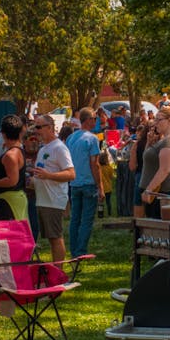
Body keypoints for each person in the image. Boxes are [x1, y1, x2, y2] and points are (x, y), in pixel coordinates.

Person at [30, 116, 74, 262]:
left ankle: (59, 271)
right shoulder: (43, 149)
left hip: (53, 200)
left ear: (50, 127)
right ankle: (56, 270)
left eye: (39, 127)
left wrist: (48, 175)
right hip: (43, 200)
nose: (36, 131)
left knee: (56, 237)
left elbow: (71, 174)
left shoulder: (59, 148)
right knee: (51, 238)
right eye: (35, 127)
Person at [67, 108, 104, 258]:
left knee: (75, 218)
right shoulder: (92, 139)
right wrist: (100, 186)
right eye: (94, 118)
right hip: (88, 183)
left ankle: (73, 249)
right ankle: (81, 251)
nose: (96, 121)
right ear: (88, 120)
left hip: (74, 183)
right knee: (87, 219)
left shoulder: (71, 138)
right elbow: (95, 164)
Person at [139, 108, 170, 217]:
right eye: (155, 120)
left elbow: (164, 170)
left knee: (159, 224)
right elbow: (146, 158)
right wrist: (149, 142)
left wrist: (149, 190)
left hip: (162, 193)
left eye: (159, 120)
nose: (155, 123)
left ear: (169, 121)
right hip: (156, 194)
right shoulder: (164, 140)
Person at [0, 115, 28, 221]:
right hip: (9, 199)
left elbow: (12, 180)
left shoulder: (11, 155)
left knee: (8, 231)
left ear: (3, 133)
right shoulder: (17, 150)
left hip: (8, 201)